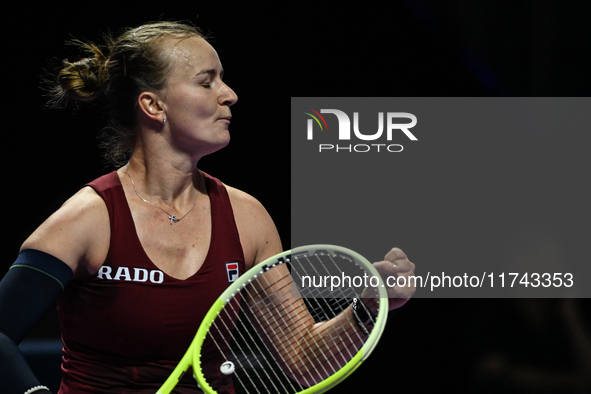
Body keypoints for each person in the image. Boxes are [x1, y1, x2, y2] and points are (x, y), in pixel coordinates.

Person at [0, 21, 416, 394]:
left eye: (224, 80)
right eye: (206, 81)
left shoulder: (247, 217)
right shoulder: (86, 220)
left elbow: (305, 362)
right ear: (153, 105)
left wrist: (368, 305)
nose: (229, 94)